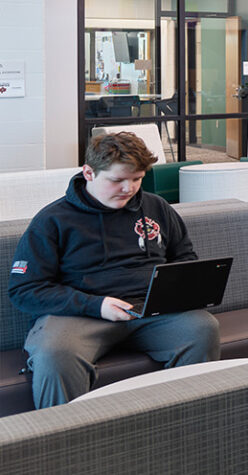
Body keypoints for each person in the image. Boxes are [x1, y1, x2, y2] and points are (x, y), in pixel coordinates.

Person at [8, 131, 221, 407]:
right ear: (89, 173)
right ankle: (66, 444)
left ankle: (187, 425)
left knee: (203, 328)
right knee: (55, 353)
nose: (128, 188)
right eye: (117, 180)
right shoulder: (52, 220)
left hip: (148, 311)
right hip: (80, 314)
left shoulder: (156, 207)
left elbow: (184, 256)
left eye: (137, 179)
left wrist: (178, 287)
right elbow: (24, 290)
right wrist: (96, 305)